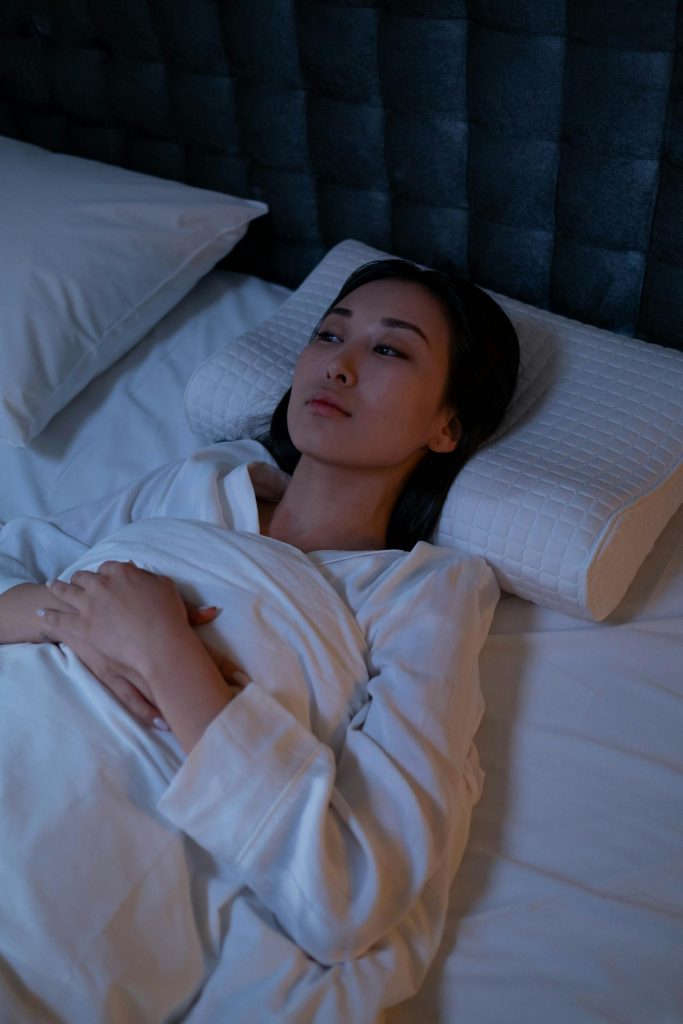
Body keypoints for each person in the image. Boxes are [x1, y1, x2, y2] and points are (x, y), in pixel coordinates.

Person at [0, 260, 519, 1023]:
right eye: (327, 334)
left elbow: (350, 894)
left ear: (446, 425)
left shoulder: (420, 596)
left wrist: (166, 654)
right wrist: (72, 615)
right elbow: (18, 556)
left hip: (64, 862)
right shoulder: (199, 481)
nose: (336, 364)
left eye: (389, 350)